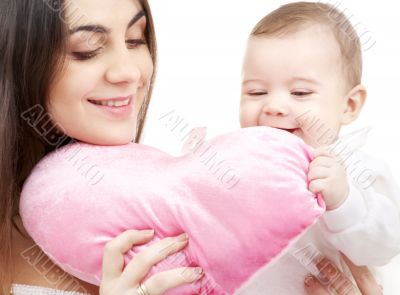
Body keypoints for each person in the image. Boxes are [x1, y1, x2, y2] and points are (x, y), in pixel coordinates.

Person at [0, 0, 203, 294]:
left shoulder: (176, 209)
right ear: (17, 62)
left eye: (134, 40)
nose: (129, 73)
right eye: (87, 50)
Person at [235, 1, 400, 294]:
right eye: (256, 92)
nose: (273, 106)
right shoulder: (236, 165)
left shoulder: (358, 170)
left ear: (348, 105)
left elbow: (384, 247)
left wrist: (343, 201)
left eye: (300, 92)